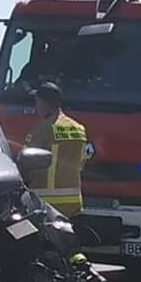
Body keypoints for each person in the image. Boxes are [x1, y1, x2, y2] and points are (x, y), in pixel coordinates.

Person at [23, 82, 86, 217]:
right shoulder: (79, 128)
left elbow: (27, 163)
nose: (37, 107)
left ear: (45, 104)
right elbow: (82, 163)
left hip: (47, 203)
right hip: (74, 203)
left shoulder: (42, 129)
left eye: (37, 102)